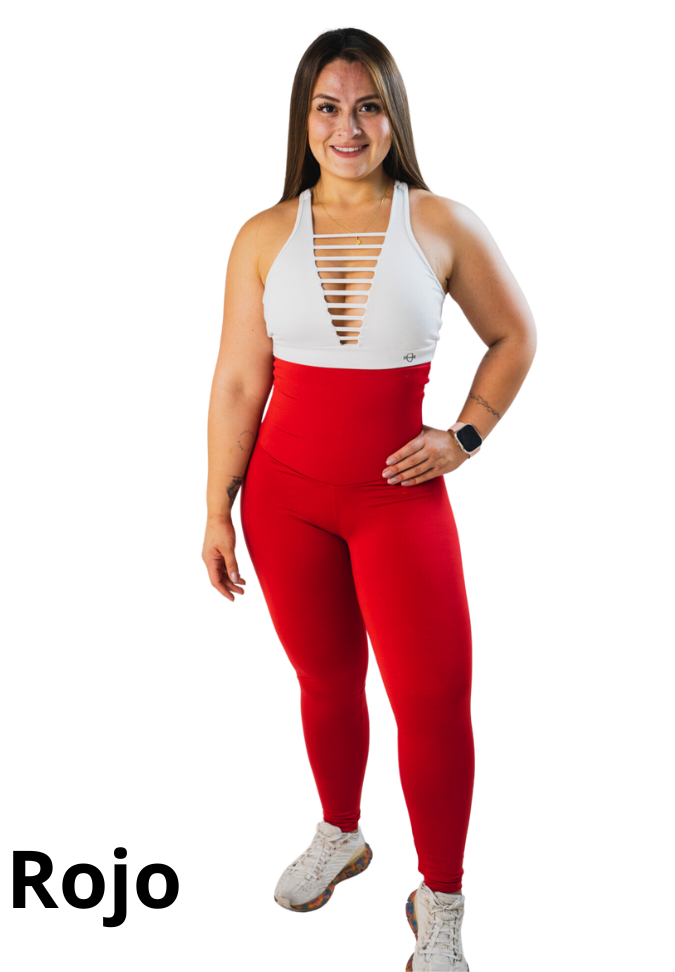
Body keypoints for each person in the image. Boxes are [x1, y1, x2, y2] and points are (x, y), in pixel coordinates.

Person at [202, 27, 536, 972]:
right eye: (327, 107)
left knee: (434, 700)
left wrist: (463, 437)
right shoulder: (263, 236)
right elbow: (239, 381)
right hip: (284, 504)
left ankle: (441, 899)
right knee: (327, 680)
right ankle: (341, 833)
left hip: (398, 503)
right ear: (303, 118)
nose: (347, 127)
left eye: (368, 106)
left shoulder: (442, 224)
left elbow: (515, 337)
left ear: (395, 116)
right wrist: (217, 507)